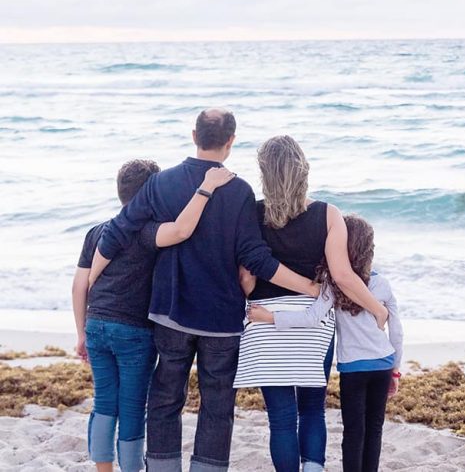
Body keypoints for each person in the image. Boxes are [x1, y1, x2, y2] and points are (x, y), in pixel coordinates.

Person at [93, 110, 316, 472]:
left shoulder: (161, 183)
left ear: (193, 134)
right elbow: (255, 258)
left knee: (165, 400)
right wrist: (308, 287)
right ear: (231, 141)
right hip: (221, 321)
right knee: (217, 406)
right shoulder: (240, 191)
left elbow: (119, 231)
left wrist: (89, 280)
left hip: (171, 313)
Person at [233, 135, 389, 472]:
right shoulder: (328, 214)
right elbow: (344, 276)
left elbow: (245, 273)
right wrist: (377, 309)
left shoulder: (251, 214)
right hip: (312, 325)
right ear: (303, 170)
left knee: (282, 420)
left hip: (264, 322)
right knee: (312, 410)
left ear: (264, 174)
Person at [72, 159, 235, 472]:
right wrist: (207, 188)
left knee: (104, 403)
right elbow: (182, 229)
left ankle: (103, 469)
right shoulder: (147, 233)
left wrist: (81, 332)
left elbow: (80, 285)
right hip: (134, 332)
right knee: (133, 409)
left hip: (97, 326)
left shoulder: (97, 232)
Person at [249, 214, 403, 472]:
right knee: (375, 430)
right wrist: (395, 369)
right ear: (369, 249)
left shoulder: (333, 285)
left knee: (354, 432)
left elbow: (310, 318)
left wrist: (269, 317)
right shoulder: (382, 283)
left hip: (353, 370)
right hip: (384, 364)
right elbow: (396, 331)